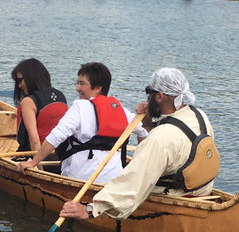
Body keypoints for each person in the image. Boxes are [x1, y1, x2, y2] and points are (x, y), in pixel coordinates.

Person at [59, 67, 220, 220]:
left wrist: (90, 209)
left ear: (160, 96)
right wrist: (149, 119)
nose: (147, 97)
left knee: (131, 178)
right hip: (202, 192)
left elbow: (133, 183)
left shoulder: (158, 140)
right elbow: (173, 145)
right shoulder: (199, 116)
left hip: (175, 197)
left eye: (148, 92)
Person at [17, 62, 148, 183]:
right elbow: (143, 132)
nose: (77, 88)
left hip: (81, 177)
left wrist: (33, 163)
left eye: (81, 83)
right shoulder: (122, 111)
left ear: (97, 88)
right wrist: (138, 163)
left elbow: (56, 137)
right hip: (113, 179)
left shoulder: (79, 107)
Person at [11, 58, 68, 172]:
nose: (20, 85)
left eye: (20, 80)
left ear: (30, 77)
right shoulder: (60, 95)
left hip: (40, 158)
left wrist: (40, 170)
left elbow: (34, 140)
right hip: (63, 158)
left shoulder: (28, 101)